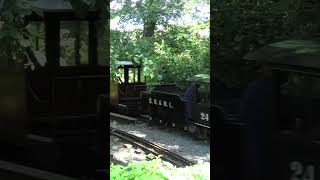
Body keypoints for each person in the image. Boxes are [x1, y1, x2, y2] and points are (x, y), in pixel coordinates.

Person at [239, 63, 275, 180]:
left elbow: (244, 108)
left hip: (254, 126)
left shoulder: (253, 87)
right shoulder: (273, 87)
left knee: (254, 158)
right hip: (265, 127)